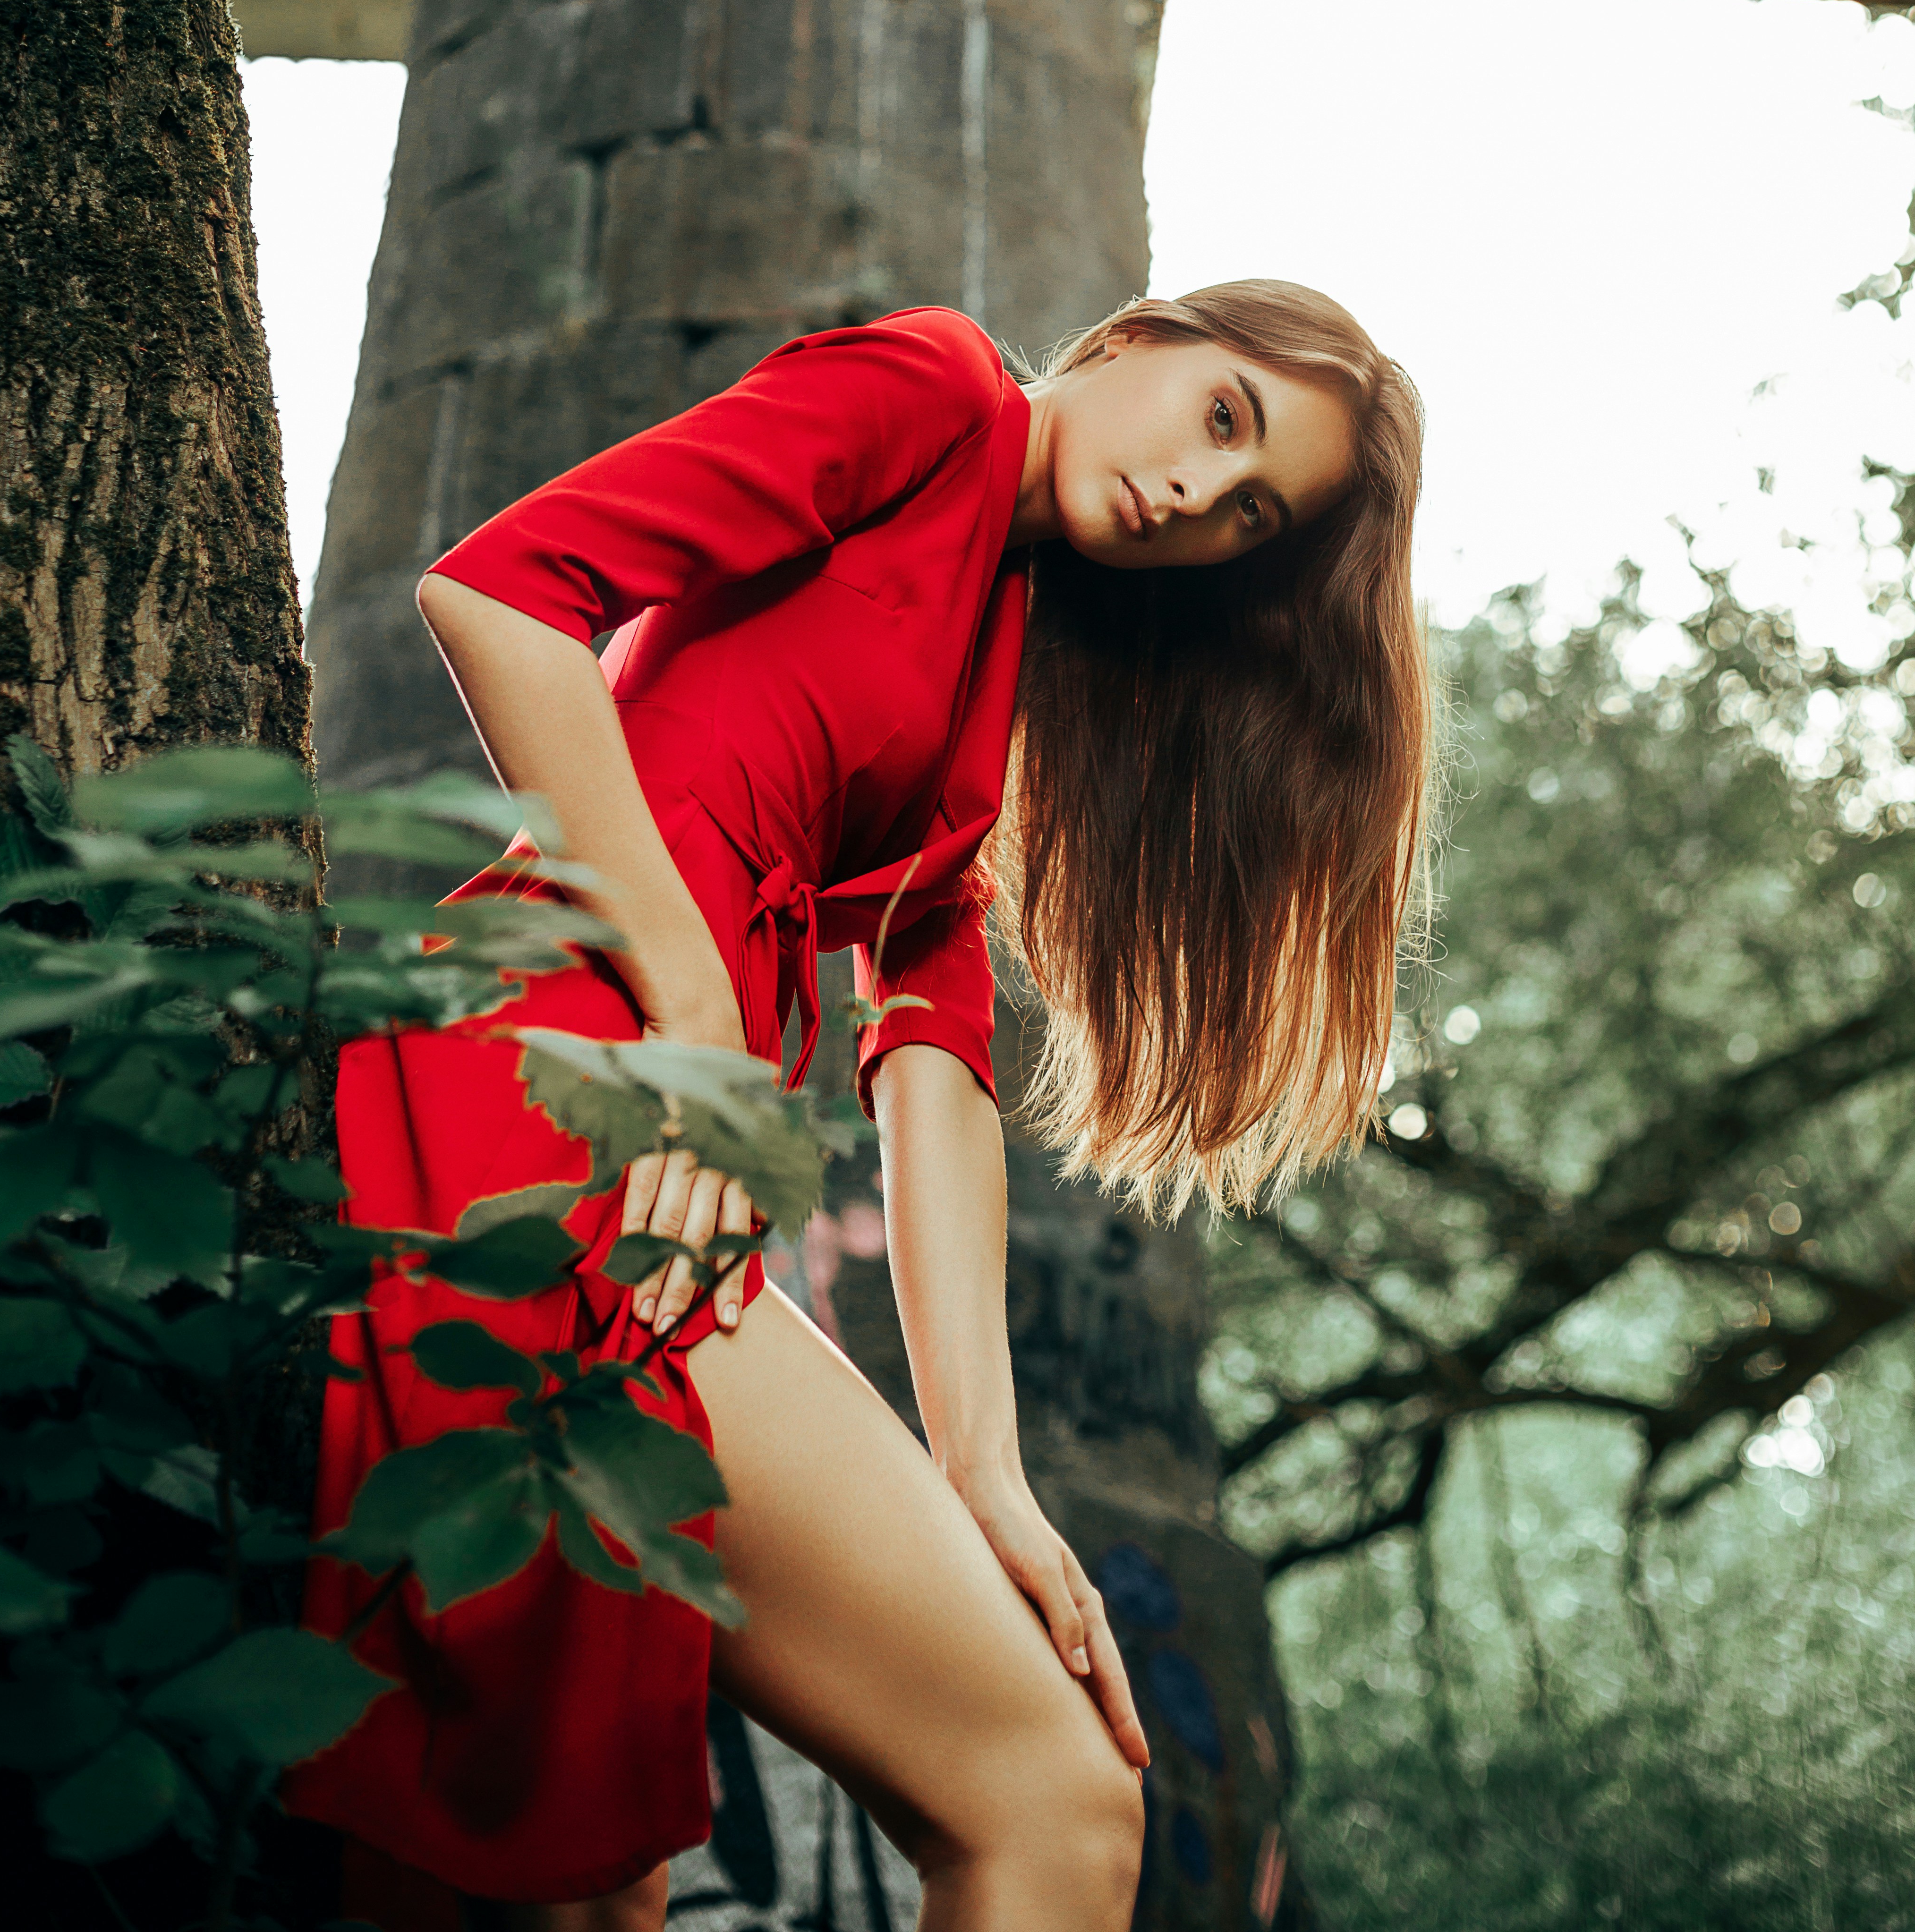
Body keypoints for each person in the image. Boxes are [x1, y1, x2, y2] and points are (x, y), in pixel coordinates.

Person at [291, 283, 1431, 1932]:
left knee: (641, 1882)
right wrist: (688, 1015)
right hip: (555, 1076)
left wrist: (992, 1480)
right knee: (993, 1802)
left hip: (672, 1173)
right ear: (1134, 340)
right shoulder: (935, 388)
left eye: (1246, 512)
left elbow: (934, 1067)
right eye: (1222, 416)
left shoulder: (997, 682)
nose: (1194, 492)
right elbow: (500, 590)